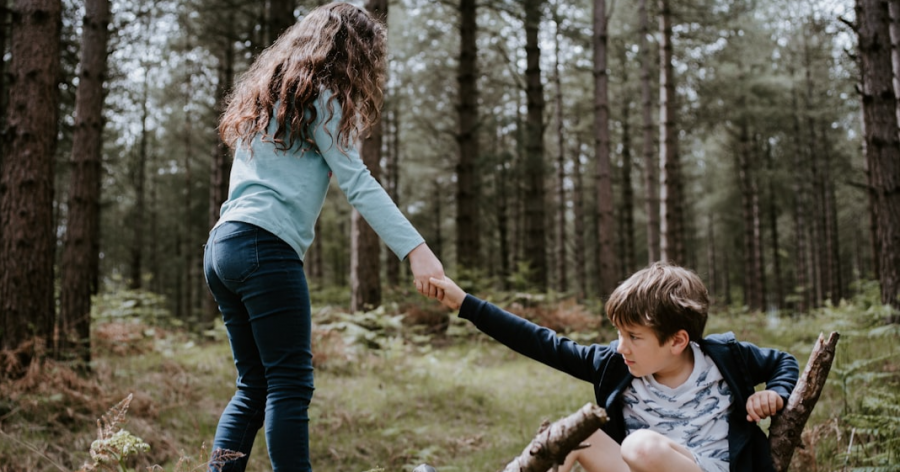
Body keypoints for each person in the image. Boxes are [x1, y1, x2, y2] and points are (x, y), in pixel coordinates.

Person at [203, 4, 444, 471]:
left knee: (253, 387)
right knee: (289, 384)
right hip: (264, 248)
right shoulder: (323, 96)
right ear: (350, 53)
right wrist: (417, 250)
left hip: (222, 247)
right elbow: (358, 183)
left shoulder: (268, 96)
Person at [429, 262, 799, 472]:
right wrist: (465, 303)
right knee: (570, 433)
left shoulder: (725, 358)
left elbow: (784, 362)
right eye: (619, 333)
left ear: (677, 341)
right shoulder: (616, 363)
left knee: (641, 446)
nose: (621, 346)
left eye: (634, 337)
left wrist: (774, 393)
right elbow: (541, 342)